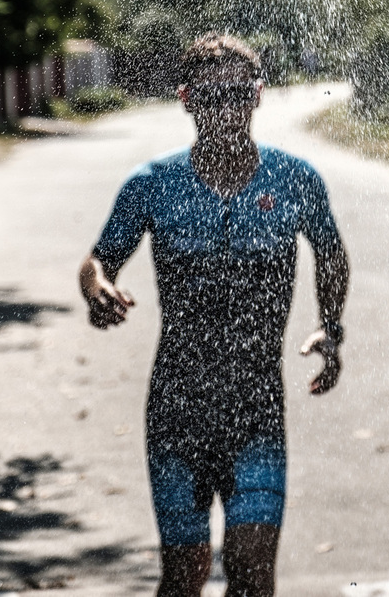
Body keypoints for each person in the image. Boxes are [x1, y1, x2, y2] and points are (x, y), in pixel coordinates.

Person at [78, 33, 349, 597]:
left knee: (252, 569)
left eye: (237, 94)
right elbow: (98, 261)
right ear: (186, 99)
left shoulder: (294, 179)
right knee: (185, 573)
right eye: (209, 96)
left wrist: (331, 326)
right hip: (178, 412)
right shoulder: (153, 185)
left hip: (256, 412)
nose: (224, 108)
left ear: (258, 96)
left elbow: (330, 251)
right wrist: (96, 288)